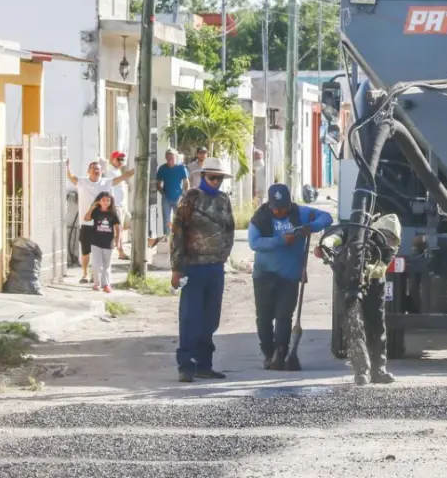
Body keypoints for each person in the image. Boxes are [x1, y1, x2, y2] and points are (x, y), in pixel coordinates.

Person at [248, 183, 333, 371]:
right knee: (264, 318)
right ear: (270, 205)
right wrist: (280, 241)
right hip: (264, 275)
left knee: (284, 317)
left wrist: (310, 227)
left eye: (283, 208)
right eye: (276, 209)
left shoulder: (299, 213)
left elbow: (327, 218)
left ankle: (281, 353)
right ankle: (268, 354)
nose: (280, 212)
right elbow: (254, 243)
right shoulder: (260, 217)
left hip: (290, 276)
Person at [316, 213, 402, 386]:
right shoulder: (357, 232)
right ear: (378, 230)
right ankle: (361, 372)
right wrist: (327, 244)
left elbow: (381, 268)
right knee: (354, 327)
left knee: (377, 326)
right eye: (386, 235)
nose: (389, 239)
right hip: (349, 283)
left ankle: (379, 370)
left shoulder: (390, 247)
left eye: (392, 237)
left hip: (375, 286)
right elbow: (337, 236)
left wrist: (365, 270)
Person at [170, 157, 235, 383]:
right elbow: (177, 232)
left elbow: (230, 229)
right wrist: (177, 268)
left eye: (219, 178)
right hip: (193, 267)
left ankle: (204, 364)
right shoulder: (190, 198)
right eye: (212, 177)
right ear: (203, 176)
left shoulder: (224, 200)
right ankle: (186, 366)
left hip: (215, 267)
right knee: (190, 317)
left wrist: (225, 254)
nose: (216, 182)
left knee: (210, 318)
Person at [67, 158, 134, 284]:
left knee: (100, 252)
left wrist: (138, 167)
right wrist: (67, 166)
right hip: (86, 223)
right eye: (93, 168)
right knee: (86, 251)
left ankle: (96, 275)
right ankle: (85, 274)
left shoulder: (106, 182)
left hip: (102, 225)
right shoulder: (82, 182)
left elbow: (123, 177)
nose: (96, 170)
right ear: (88, 171)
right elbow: (70, 177)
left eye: (98, 169)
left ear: (101, 171)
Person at [83, 191, 120, 293]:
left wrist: (118, 241)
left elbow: (118, 227)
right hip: (96, 242)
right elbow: (86, 218)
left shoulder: (113, 213)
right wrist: (92, 207)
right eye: (103, 200)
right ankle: (96, 284)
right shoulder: (96, 211)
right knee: (96, 264)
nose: (106, 202)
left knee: (106, 265)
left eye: (108, 200)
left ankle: (106, 285)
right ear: (99, 201)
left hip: (108, 243)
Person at [156, 149, 190, 238]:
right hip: (166, 198)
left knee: (179, 219)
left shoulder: (181, 168)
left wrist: (183, 195)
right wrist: (163, 194)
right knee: (166, 220)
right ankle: (167, 238)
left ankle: (178, 238)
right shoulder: (162, 169)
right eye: (168, 157)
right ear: (166, 158)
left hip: (178, 198)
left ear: (175, 157)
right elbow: (158, 184)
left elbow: (186, 183)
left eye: (172, 157)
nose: (170, 159)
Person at [105, 151, 131, 260]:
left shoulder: (118, 171)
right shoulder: (110, 172)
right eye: (119, 159)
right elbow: (111, 184)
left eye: (122, 159)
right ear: (113, 159)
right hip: (116, 205)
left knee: (130, 223)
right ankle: (120, 251)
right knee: (118, 229)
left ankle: (147, 240)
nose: (121, 162)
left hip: (122, 205)